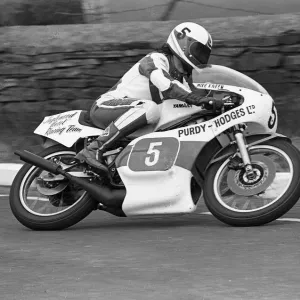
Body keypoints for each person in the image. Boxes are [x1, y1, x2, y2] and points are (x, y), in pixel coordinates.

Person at [75, 22, 223, 172]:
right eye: (199, 50)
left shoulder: (183, 80)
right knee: (150, 109)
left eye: (205, 54)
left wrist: (218, 102)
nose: (201, 56)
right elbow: (166, 83)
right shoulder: (155, 59)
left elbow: (194, 102)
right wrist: (197, 99)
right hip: (105, 106)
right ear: (183, 43)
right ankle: (94, 149)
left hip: (135, 117)